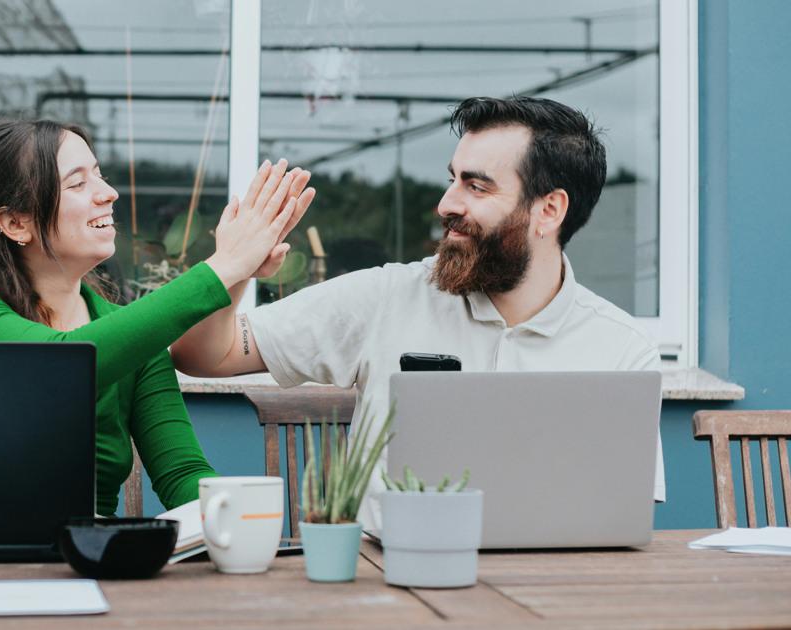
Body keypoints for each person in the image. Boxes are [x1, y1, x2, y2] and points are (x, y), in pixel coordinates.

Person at [170, 96, 665, 529]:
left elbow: (623, 514)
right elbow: (203, 355)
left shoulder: (623, 350)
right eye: (453, 179)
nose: (447, 202)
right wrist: (232, 267)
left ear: (550, 211)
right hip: (388, 587)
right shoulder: (387, 296)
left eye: (478, 186)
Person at [0, 119, 314, 516]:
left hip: (92, 561)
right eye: (78, 183)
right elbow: (59, 364)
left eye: (100, 176)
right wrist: (224, 266)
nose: (109, 193)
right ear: (14, 223)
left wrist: (246, 526)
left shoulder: (134, 337)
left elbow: (182, 474)